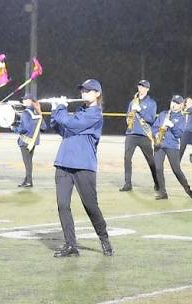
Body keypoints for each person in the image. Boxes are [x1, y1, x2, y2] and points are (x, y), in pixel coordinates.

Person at [49, 79, 112, 257]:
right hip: (63, 163)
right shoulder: (79, 112)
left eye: (88, 90)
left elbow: (70, 125)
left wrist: (61, 108)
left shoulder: (95, 114)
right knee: (62, 205)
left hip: (84, 165)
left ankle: (104, 238)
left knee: (90, 206)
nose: (84, 93)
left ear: (97, 93)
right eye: (82, 90)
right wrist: (55, 110)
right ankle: (71, 245)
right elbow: (62, 129)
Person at [153, 95, 192, 200]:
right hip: (159, 144)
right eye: (173, 102)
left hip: (172, 146)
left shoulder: (182, 118)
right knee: (158, 168)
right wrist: (156, 134)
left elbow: (179, 134)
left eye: (177, 103)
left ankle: (187, 189)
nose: (174, 104)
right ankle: (163, 193)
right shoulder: (163, 114)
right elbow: (154, 127)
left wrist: (172, 125)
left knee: (176, 170)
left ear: (181, 105)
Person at [120, 80, 159, 192]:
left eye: (143, 86)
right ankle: (128, 184)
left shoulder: (152, 103)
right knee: (127, 159)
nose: (140, 88)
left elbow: (151, 119)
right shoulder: (133, 102)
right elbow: (128, 116)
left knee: (151, 160)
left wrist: (140, 110)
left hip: (143, 135)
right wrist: (128, 119)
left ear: (147, 89)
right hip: (131, 134)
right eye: (139, 86)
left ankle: (157, 182)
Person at [13, 93, 47, 187]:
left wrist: (14, 129)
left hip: (25, 141)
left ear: (30, 101)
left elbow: (24, 128)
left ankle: (29, 181)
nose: (23, 101)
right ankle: (27, 180)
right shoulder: (37, 112)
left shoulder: (26, 112)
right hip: (33, 142)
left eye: (25, 99)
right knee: (29, 162)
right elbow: (44, 127)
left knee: (27, 163)